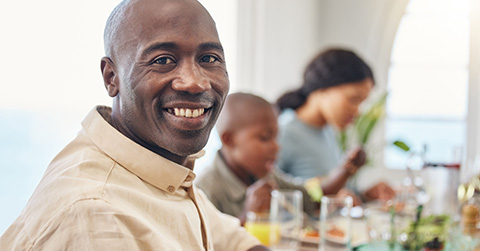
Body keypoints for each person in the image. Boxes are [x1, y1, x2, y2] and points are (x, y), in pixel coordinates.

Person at [0, 0, 268, 250]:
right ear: (111, 77)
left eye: (209, 59)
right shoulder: (96, 213)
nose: (194, 82)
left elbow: (232, 241)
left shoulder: (159, 166)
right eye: (163, 60)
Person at [195, 92, 352, 224]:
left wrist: (347, 169)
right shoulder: (205, 190)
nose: (276, 146)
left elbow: (309, 198)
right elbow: (205, 242)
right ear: (229, 140)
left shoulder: (267, 176)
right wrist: (248, 215)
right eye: (265, 138)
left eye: (276, 138)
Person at [275, 48, 395, 202]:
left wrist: (365, 195)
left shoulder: (327, 131)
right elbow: (274, 196)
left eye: (362, 103)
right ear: (323, 89)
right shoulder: (284, 131)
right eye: (353, 99)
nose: (358, 111)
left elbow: (333, 189)